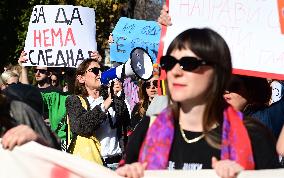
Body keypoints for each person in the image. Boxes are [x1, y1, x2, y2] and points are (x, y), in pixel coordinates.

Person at [116, 28, 280, 178]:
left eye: (188, 63)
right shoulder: (148, 129)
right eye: (169, 62)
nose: (176, 71)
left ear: (218, 73)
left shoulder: (253, 136)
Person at [66, 58, 126, 169]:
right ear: (81, 78)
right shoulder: (74, 100)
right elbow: (82, 127)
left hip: (117, 163)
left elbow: (125, 121)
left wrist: (118, 96)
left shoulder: (110, 97)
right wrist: (108, 101)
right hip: (93, 164)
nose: (100, 73)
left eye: (101, 70)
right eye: (94, 70)